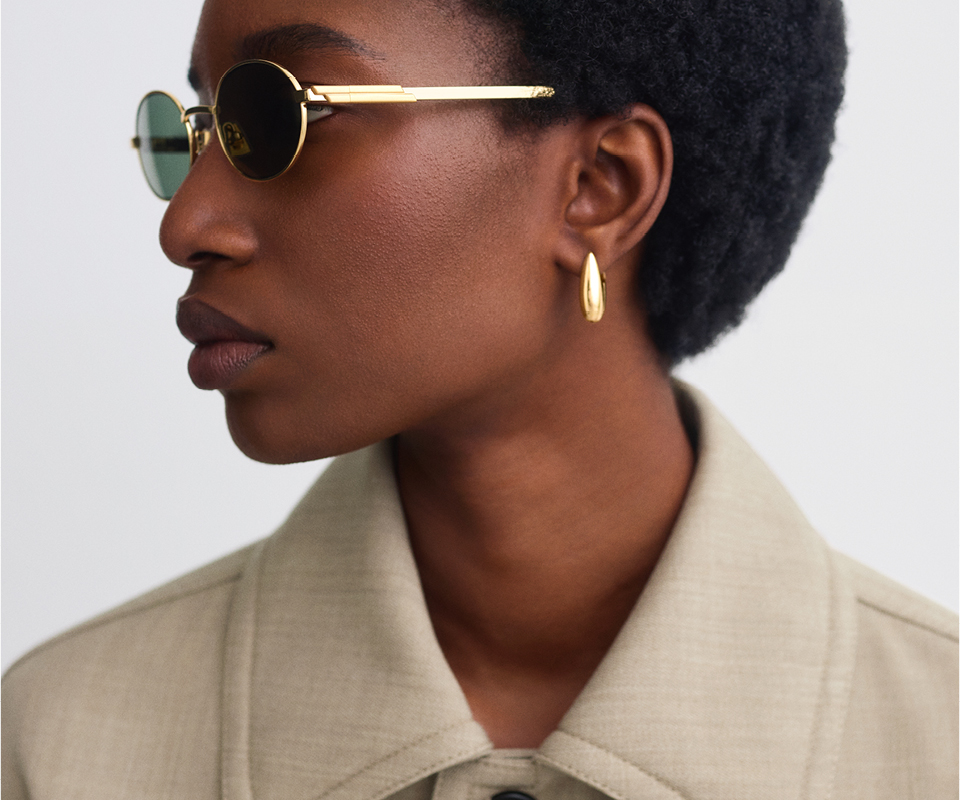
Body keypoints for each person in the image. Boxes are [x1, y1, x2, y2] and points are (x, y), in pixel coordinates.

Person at [3, 0, 956, 797]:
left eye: (279, 116)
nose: (186, 223)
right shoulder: (63, 747)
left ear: (599, 187)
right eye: (202, 127)